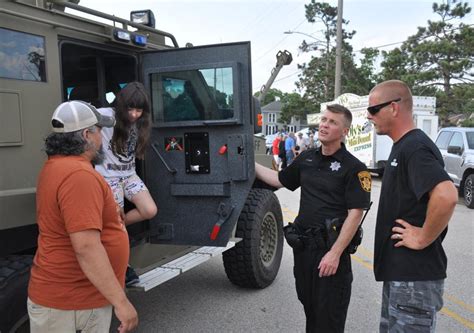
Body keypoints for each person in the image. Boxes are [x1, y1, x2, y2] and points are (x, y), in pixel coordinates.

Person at [255, 104, 371, 333]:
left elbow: (355, 215)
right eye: (324, 120)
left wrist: (335, 254)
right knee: (311, 309)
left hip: (330, 251)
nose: (325, 125)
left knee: (329, 317)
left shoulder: (355, 168)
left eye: (332, 122)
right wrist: (250, 163)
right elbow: (279, 179)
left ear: (345, 131)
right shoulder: (307, 159)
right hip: (304, 250)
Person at [28, 101, 138, 333]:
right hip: (74, 303)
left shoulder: (58, 166)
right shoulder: (79, 175)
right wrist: (121, 302)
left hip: (69, 301)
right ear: (87, 134)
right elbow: (86, 247)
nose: (102, 138)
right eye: (100, 130)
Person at [367, 80, 458, 333]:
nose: (368, 115)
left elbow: (447, 195)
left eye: (373, 109)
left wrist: (422, 237)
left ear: (394, 108)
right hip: (403, 278)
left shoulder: (414, 147)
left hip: (414, 281)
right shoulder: (403, 146)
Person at [95, 82, 158, 285]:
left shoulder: (141, 123)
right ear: (121, 105)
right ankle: (123, 267)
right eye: (130, 109)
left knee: (149, 210)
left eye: (139, 110)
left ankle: (110, 228)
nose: (133, 114)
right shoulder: (107, 115)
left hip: (129, 176)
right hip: (108, 178)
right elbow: (80, 115)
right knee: (117, 231)